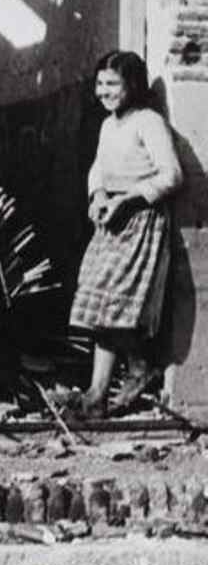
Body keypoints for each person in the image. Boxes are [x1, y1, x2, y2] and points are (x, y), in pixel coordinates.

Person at [69, 50, 184, 417]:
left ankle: (108, 387)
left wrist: (128, 199)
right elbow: (98, 168)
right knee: (99, 301)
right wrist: (98, 195)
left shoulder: (148, 122)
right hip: (111, 220)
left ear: (132, 85)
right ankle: (116, 381)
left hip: (140, 220)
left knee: (113, 303)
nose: (104, 91)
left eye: (113, 84)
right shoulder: (108, 125)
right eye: (100, 84)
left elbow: (172, 175)